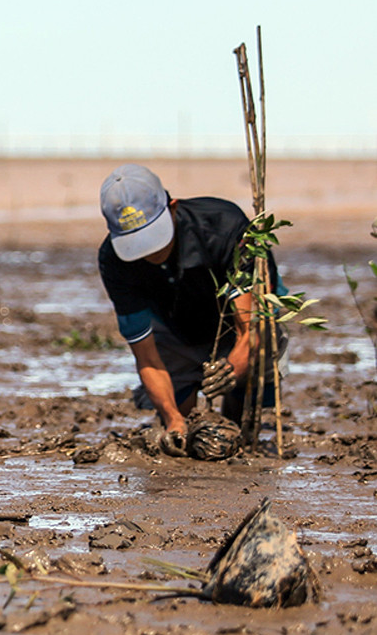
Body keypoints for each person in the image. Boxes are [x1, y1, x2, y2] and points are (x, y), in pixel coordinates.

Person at [97, 163, 287, 457]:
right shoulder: (113, 260)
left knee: (241, 403)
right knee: (181, 431)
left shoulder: (223, 225)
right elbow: (145, 354)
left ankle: (237, 422)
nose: (149, 252)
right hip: (173, 325)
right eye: (137, 244)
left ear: (172, 208)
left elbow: (251, 330)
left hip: (237, 318)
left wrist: (230, 372)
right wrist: (173, 420)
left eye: (153, 237)